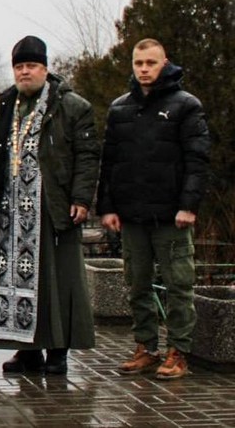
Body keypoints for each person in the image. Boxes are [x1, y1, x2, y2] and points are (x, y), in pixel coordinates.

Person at [97, 38, 210, 380]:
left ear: (164, 63)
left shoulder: (186, 106)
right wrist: (108, 207)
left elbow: (197, 159)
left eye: (150, 62)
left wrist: (188, 205)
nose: (144, 69)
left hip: (171, 216)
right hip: (132, 215)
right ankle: (145, 346)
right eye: (138, 63)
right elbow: (110, 162)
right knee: (137, 283)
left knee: (178, 284)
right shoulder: (120, 109)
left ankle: (179, 350)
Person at [0, 36, 100, 375]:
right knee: (16, 281)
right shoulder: (7, 104)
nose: (24, 72)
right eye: (19, 66)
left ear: (45, 68)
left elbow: (87, 156)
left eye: (31, 66)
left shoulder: (71, 105)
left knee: (58, 281)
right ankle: (27, 350)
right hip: (13, 212)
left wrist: (81, 198)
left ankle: (58, 351)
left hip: (53, 207)